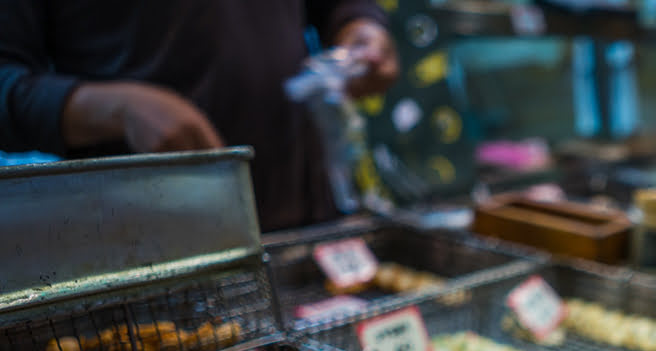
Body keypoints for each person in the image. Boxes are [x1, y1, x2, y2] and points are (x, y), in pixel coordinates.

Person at [0, 2, 399, 231]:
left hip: (302, 223)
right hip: (149, 249)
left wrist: (358, 23)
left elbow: (334, 4)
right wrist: (116, 108)